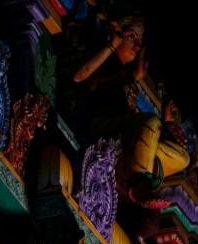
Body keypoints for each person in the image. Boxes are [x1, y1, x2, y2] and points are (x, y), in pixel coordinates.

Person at [72, 3, 190, 209]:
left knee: (183, 158)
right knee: (150, 122)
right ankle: (139, 187)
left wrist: (167, 124)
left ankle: (143, 178)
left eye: (139, 41)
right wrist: (113, 48)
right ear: (116, 32)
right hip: (100, 123)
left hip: (125, 130)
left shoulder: (126, 78)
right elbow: (82, 78)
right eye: (131, 37)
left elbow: (136, 120)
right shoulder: (105, 56)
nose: (136, 46)